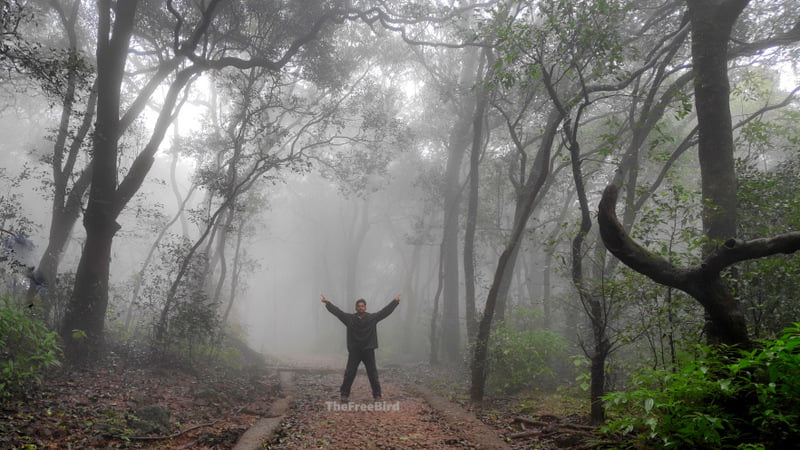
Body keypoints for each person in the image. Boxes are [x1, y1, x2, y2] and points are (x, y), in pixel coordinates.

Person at [321, 294, 400, 402]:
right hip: (355, 351)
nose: (360, 308)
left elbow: (385, 312)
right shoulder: (350, 319)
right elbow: (338, 313)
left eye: (362, 306)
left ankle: (377, 395)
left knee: (372, 373)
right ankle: (344, 395)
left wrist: (395, 302)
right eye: (359, 306)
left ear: (365, 307)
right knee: (349, 373)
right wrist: (327, 303)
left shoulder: (372, 318)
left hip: (368, 350)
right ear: (356, 308)